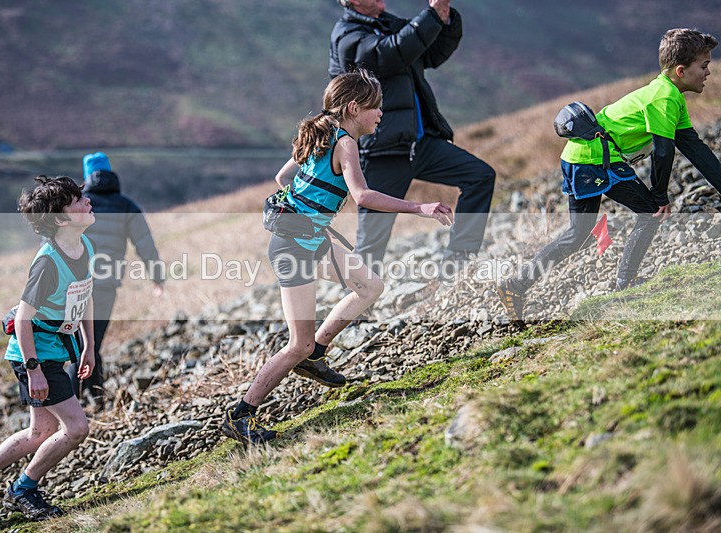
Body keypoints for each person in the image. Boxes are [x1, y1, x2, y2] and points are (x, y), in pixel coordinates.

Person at [220, 70, 453, 445]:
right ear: (354, 108)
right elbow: (362, 196)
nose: (381, 114)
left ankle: (316, 356)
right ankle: (240, 416)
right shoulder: (345, 143)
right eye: (376, 107)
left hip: (308, 239)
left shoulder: (319, 131)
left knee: (370, 286)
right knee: (297, 344)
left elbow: (283, 178)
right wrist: (419, 207)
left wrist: (310, 216)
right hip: (294, 248)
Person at [498, 28, 720, 322]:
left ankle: (515, 286)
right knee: (650, 213)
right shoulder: (663, 98)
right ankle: (625, 286)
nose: (708, 72)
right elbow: (663, 152)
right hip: (595, 160)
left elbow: (694, 148)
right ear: (681, 71)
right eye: (704, 65)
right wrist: (659, 195)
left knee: (578, 234)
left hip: (579, 157)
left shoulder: (668, 95)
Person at [0, 175, 95, 530]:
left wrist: (89, 345)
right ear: (61, 219)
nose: (87, 201)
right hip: (34, 354)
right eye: (77, 200)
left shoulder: (84, 245)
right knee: (76, 428)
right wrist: (34, 370)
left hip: (54, 349)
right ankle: (23, 489)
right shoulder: (47, 263)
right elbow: (23, 320)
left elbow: (85, 295)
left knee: (39, 432)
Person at [329, 0, 495, 275]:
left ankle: (457, 267)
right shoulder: (347, 36)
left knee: (480, 176)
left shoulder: (388, 24)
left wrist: (444, 17)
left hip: (420, 143)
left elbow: (431, 52)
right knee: (371, 246)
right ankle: (359, 298)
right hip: (383, 151)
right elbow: (389, 53)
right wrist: (431, 15)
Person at [69, 152, 164, 409]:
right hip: (105, 284)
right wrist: (157, 277)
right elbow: (144, 243)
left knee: (81, 345)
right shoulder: (126, 205)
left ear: (86, 175)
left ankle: (80, 402)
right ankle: (90, 399)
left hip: (73, 284)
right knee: (91, 343)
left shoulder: (77, 204)